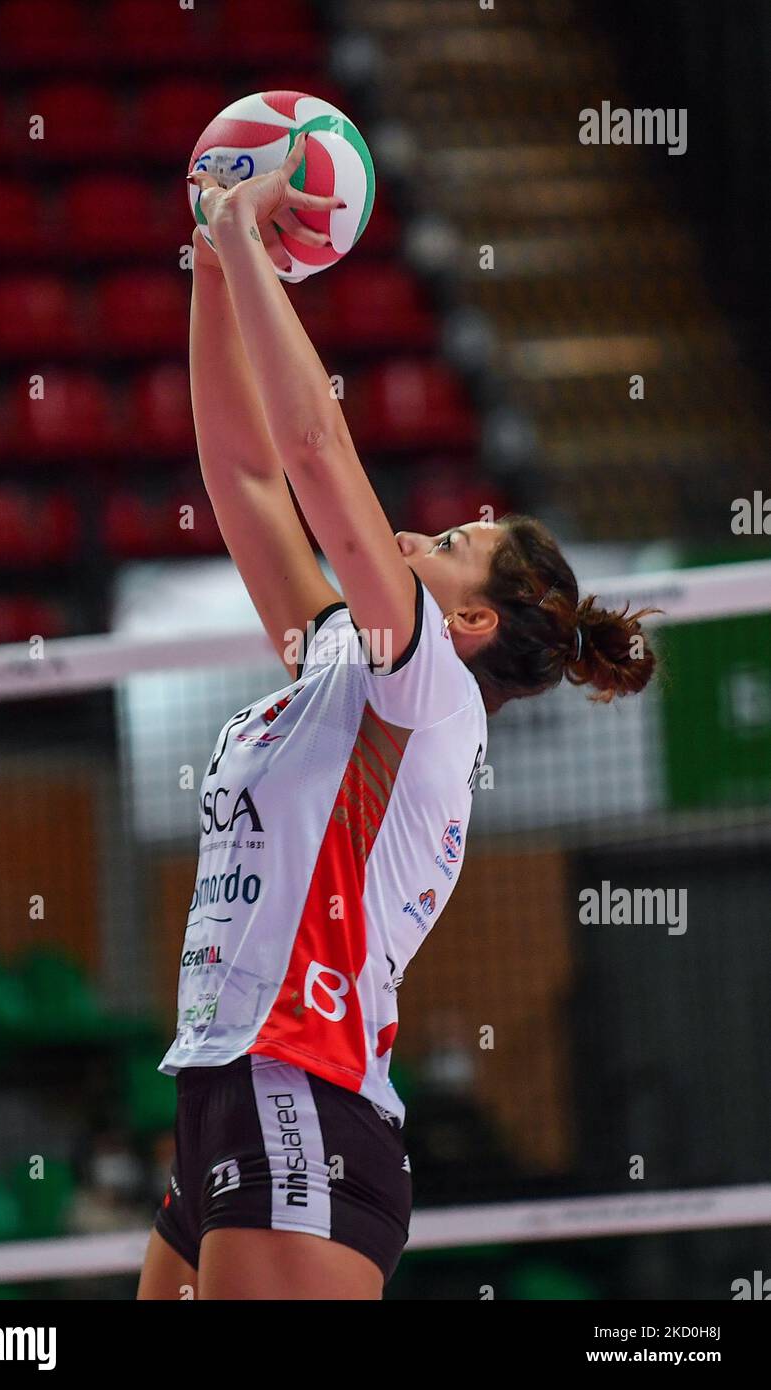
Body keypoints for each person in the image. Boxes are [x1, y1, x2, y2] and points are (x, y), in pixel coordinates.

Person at [137, 135, 655, 1301]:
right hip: (232, 1084)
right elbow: (244, 475)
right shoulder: (346, 652)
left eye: (459, 546)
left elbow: (315, 458)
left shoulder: (422, 689)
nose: (427, 533)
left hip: (301, 1095)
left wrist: (242, 241)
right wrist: (214, 273)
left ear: (472, 623)